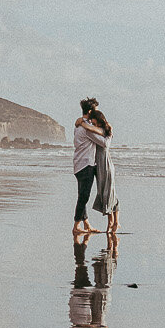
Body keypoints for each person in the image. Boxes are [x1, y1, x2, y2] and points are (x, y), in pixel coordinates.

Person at [71, 97, 119, 238]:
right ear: (91, 111)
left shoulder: (79, 125)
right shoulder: (87, 128)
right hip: (86, 164)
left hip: (79, 163)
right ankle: (76, 226)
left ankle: (86, 224)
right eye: (96, 111)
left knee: (82, 194)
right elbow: (104, 142)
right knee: (84, 196)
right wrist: (109, 129)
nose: (98, 114)